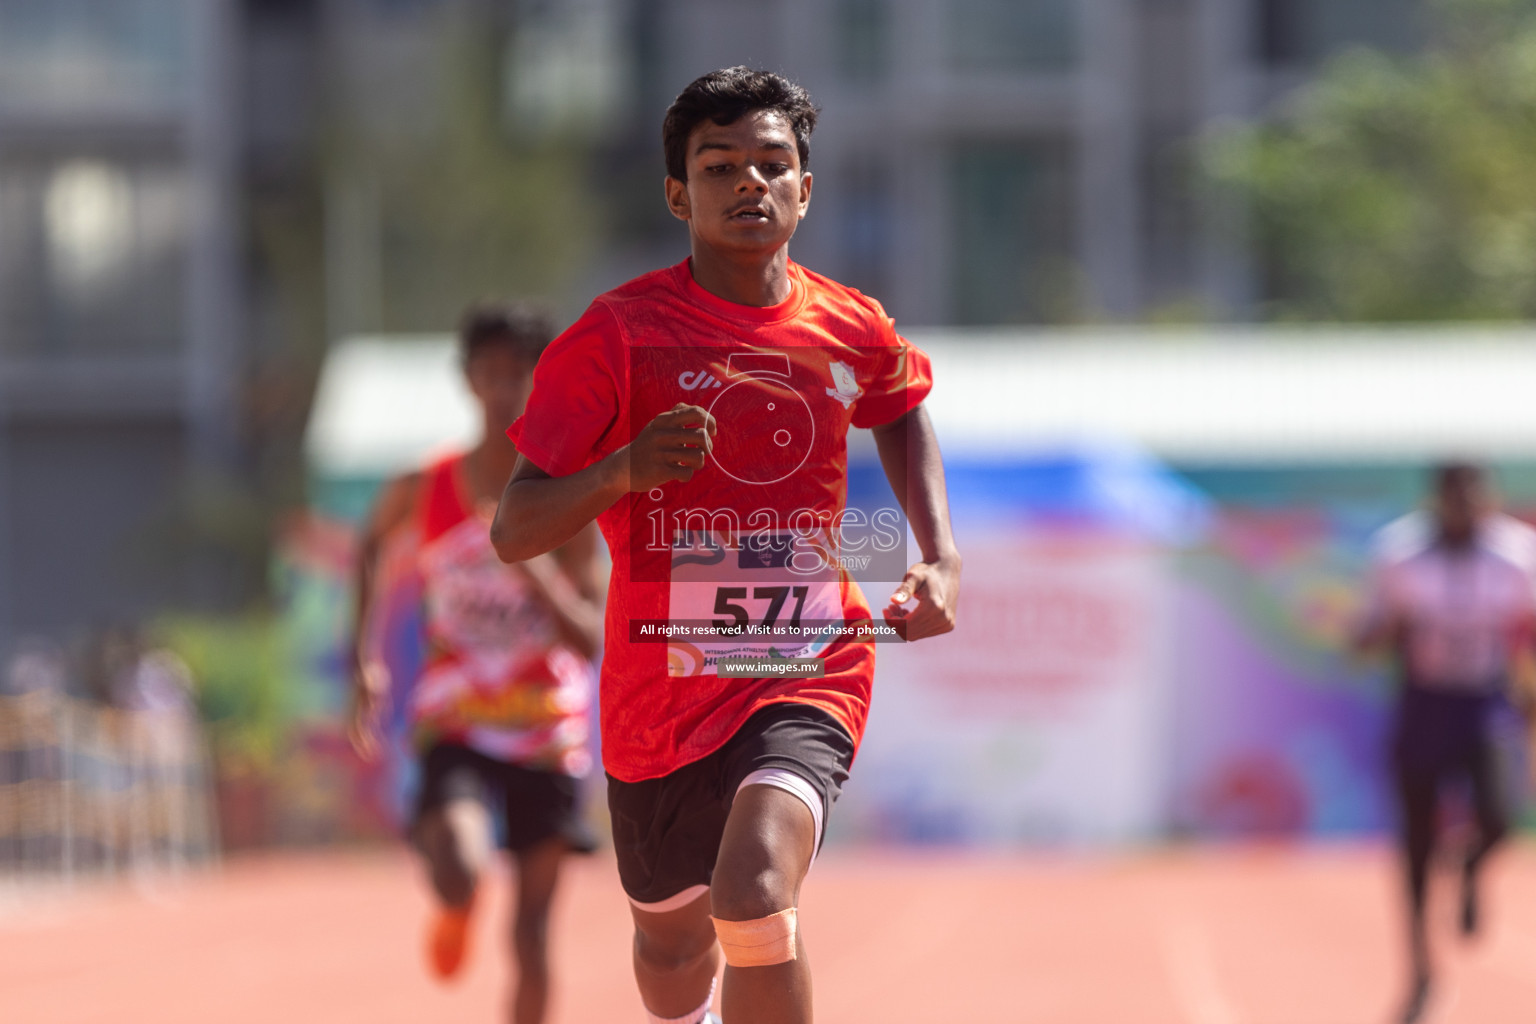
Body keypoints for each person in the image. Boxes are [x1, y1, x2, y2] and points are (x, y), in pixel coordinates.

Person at [491, 67, 961, 1024]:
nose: (751, 183)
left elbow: (901, 410)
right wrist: (622, 470)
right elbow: (515, 529)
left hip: (806, 661)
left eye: (772, 164)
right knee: (671, 948)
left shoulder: (848, 322)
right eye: (721, 167)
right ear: (679, 195)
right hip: (656, 697)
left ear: (805, 188)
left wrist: (939, 554)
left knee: (753, 894)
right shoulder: (614, 337)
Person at [348, 303, 605, 1024]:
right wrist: (365, 660)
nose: (505, 391)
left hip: (547, 732)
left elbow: (591, 638)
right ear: (468, 380)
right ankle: (456, 904)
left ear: (541, 382)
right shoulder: (427, 486)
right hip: (457, 718)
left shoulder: (569, 497)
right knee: (460, 863)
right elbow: (369, 545)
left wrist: (538, 577)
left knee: (531, 932)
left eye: (519, 375)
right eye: (490, 374)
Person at [1354, 461, 1536, 1024]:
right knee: (1415, 845)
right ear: (1435, 500)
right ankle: (1420, 971)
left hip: (1485, 699)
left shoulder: (1517, 555)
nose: (1462, 505)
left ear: (1487, 497)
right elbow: (1371, 634)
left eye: (1472, 494)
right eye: (1452, 495)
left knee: (1499, 816)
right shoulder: (1400, 555)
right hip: (1425, 703)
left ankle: (1472, 865)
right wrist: (1381, 631)